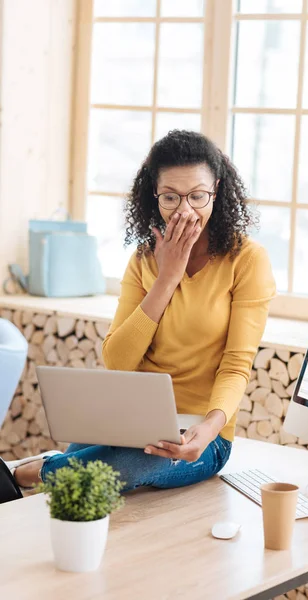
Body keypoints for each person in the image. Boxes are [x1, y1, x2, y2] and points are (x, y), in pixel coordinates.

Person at [7, 130, 276, 493]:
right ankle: (35, 474)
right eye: (170, 197)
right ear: (154, 194)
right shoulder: (143, 260)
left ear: (217, 188)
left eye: (198, 196)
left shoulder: (248, 260)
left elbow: (236, 365)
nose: (185, 211)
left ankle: (22, 474)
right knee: (91, 467)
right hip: (129, 421)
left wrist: (209, 429)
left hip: (203, 434)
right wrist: (166, 279)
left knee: (123, 465)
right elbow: (117, 360)